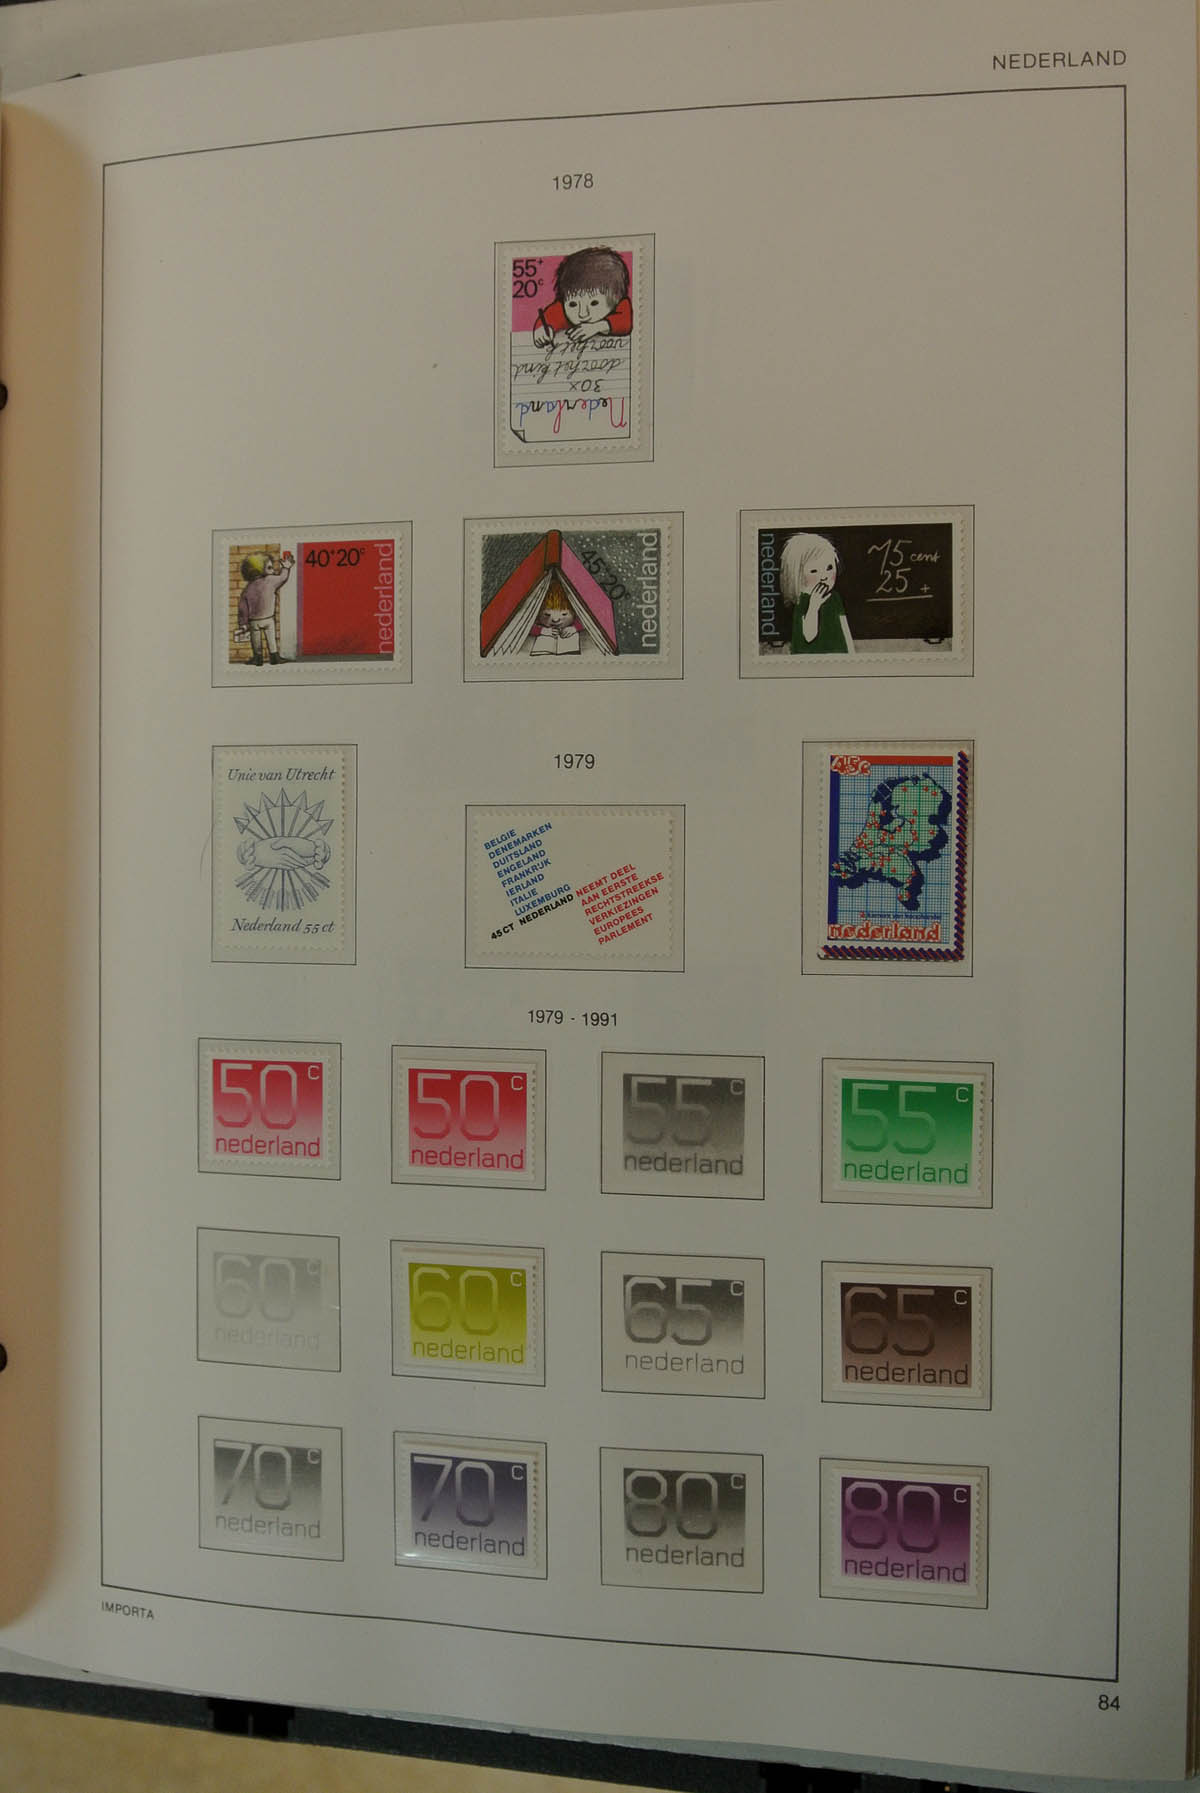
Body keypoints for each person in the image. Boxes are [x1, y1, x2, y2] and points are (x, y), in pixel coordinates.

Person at [531, 246, 632, 346]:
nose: (582, 314)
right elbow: (548, 318)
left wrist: (597, 327)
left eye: (594, 303)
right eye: (573, 304)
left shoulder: (621, 304)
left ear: (616, 299)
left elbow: (626, 323)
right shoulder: (562, 308)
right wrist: (541, 331)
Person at [780, 532, 854, 655]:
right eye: (814, 571)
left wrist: (851, 653)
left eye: (829, 568)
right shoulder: (803, 600)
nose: (824, 576)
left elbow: (844, 627)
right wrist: (813, 607)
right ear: (798, 576)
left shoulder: (834, 597)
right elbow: (809, 636)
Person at [236, 550, 293, 666]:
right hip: (268, 618)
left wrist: (243, 623)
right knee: (271, 639)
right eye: (270, 568)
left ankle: (257, 658)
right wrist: (286, 567)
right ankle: (274, 657)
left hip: (254, 621)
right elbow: (283, 577)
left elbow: (243, 608)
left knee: (256, 641)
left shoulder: (248, 588)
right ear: (259, 569)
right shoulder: (271, 580)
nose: (273, 571)